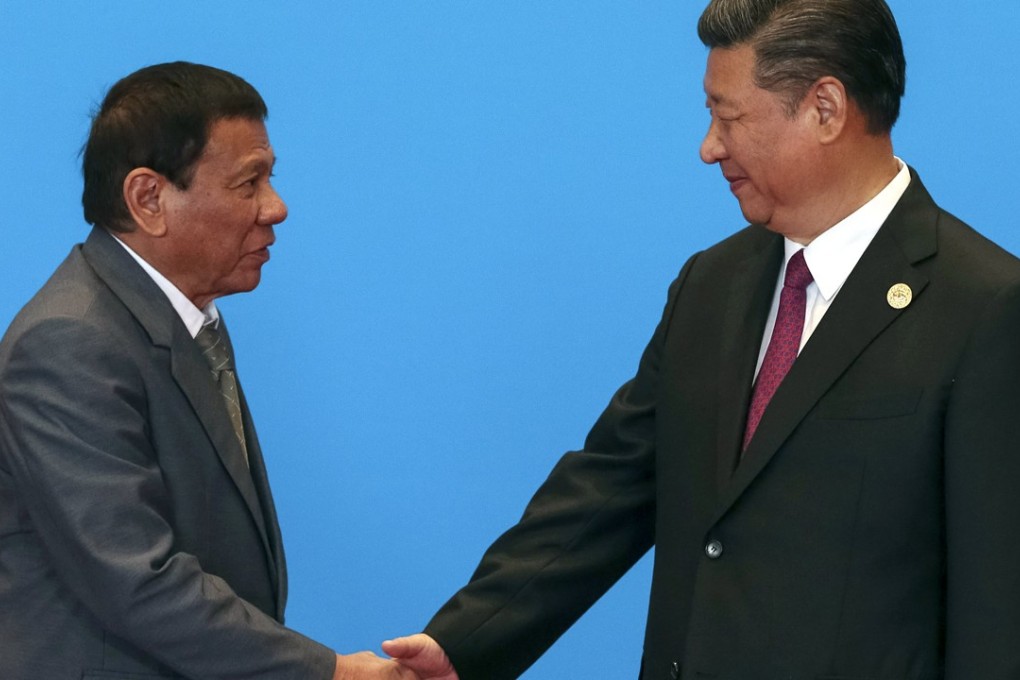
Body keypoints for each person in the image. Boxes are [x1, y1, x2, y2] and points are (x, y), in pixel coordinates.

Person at [384, 0, 1020, 678]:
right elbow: (608, 489)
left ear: (825, 108)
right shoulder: (712, 284)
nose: (709, 146)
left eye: (728, 116)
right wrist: (462, 646)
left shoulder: (984, 309)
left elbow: (998, 607)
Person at [0, 62, 424, 680]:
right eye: (248, 183)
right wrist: (331, 673)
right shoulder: (69, 342)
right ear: (149, 199)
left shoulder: (178, 317)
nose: (275, 208)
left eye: (270, 179)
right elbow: (137, 580)